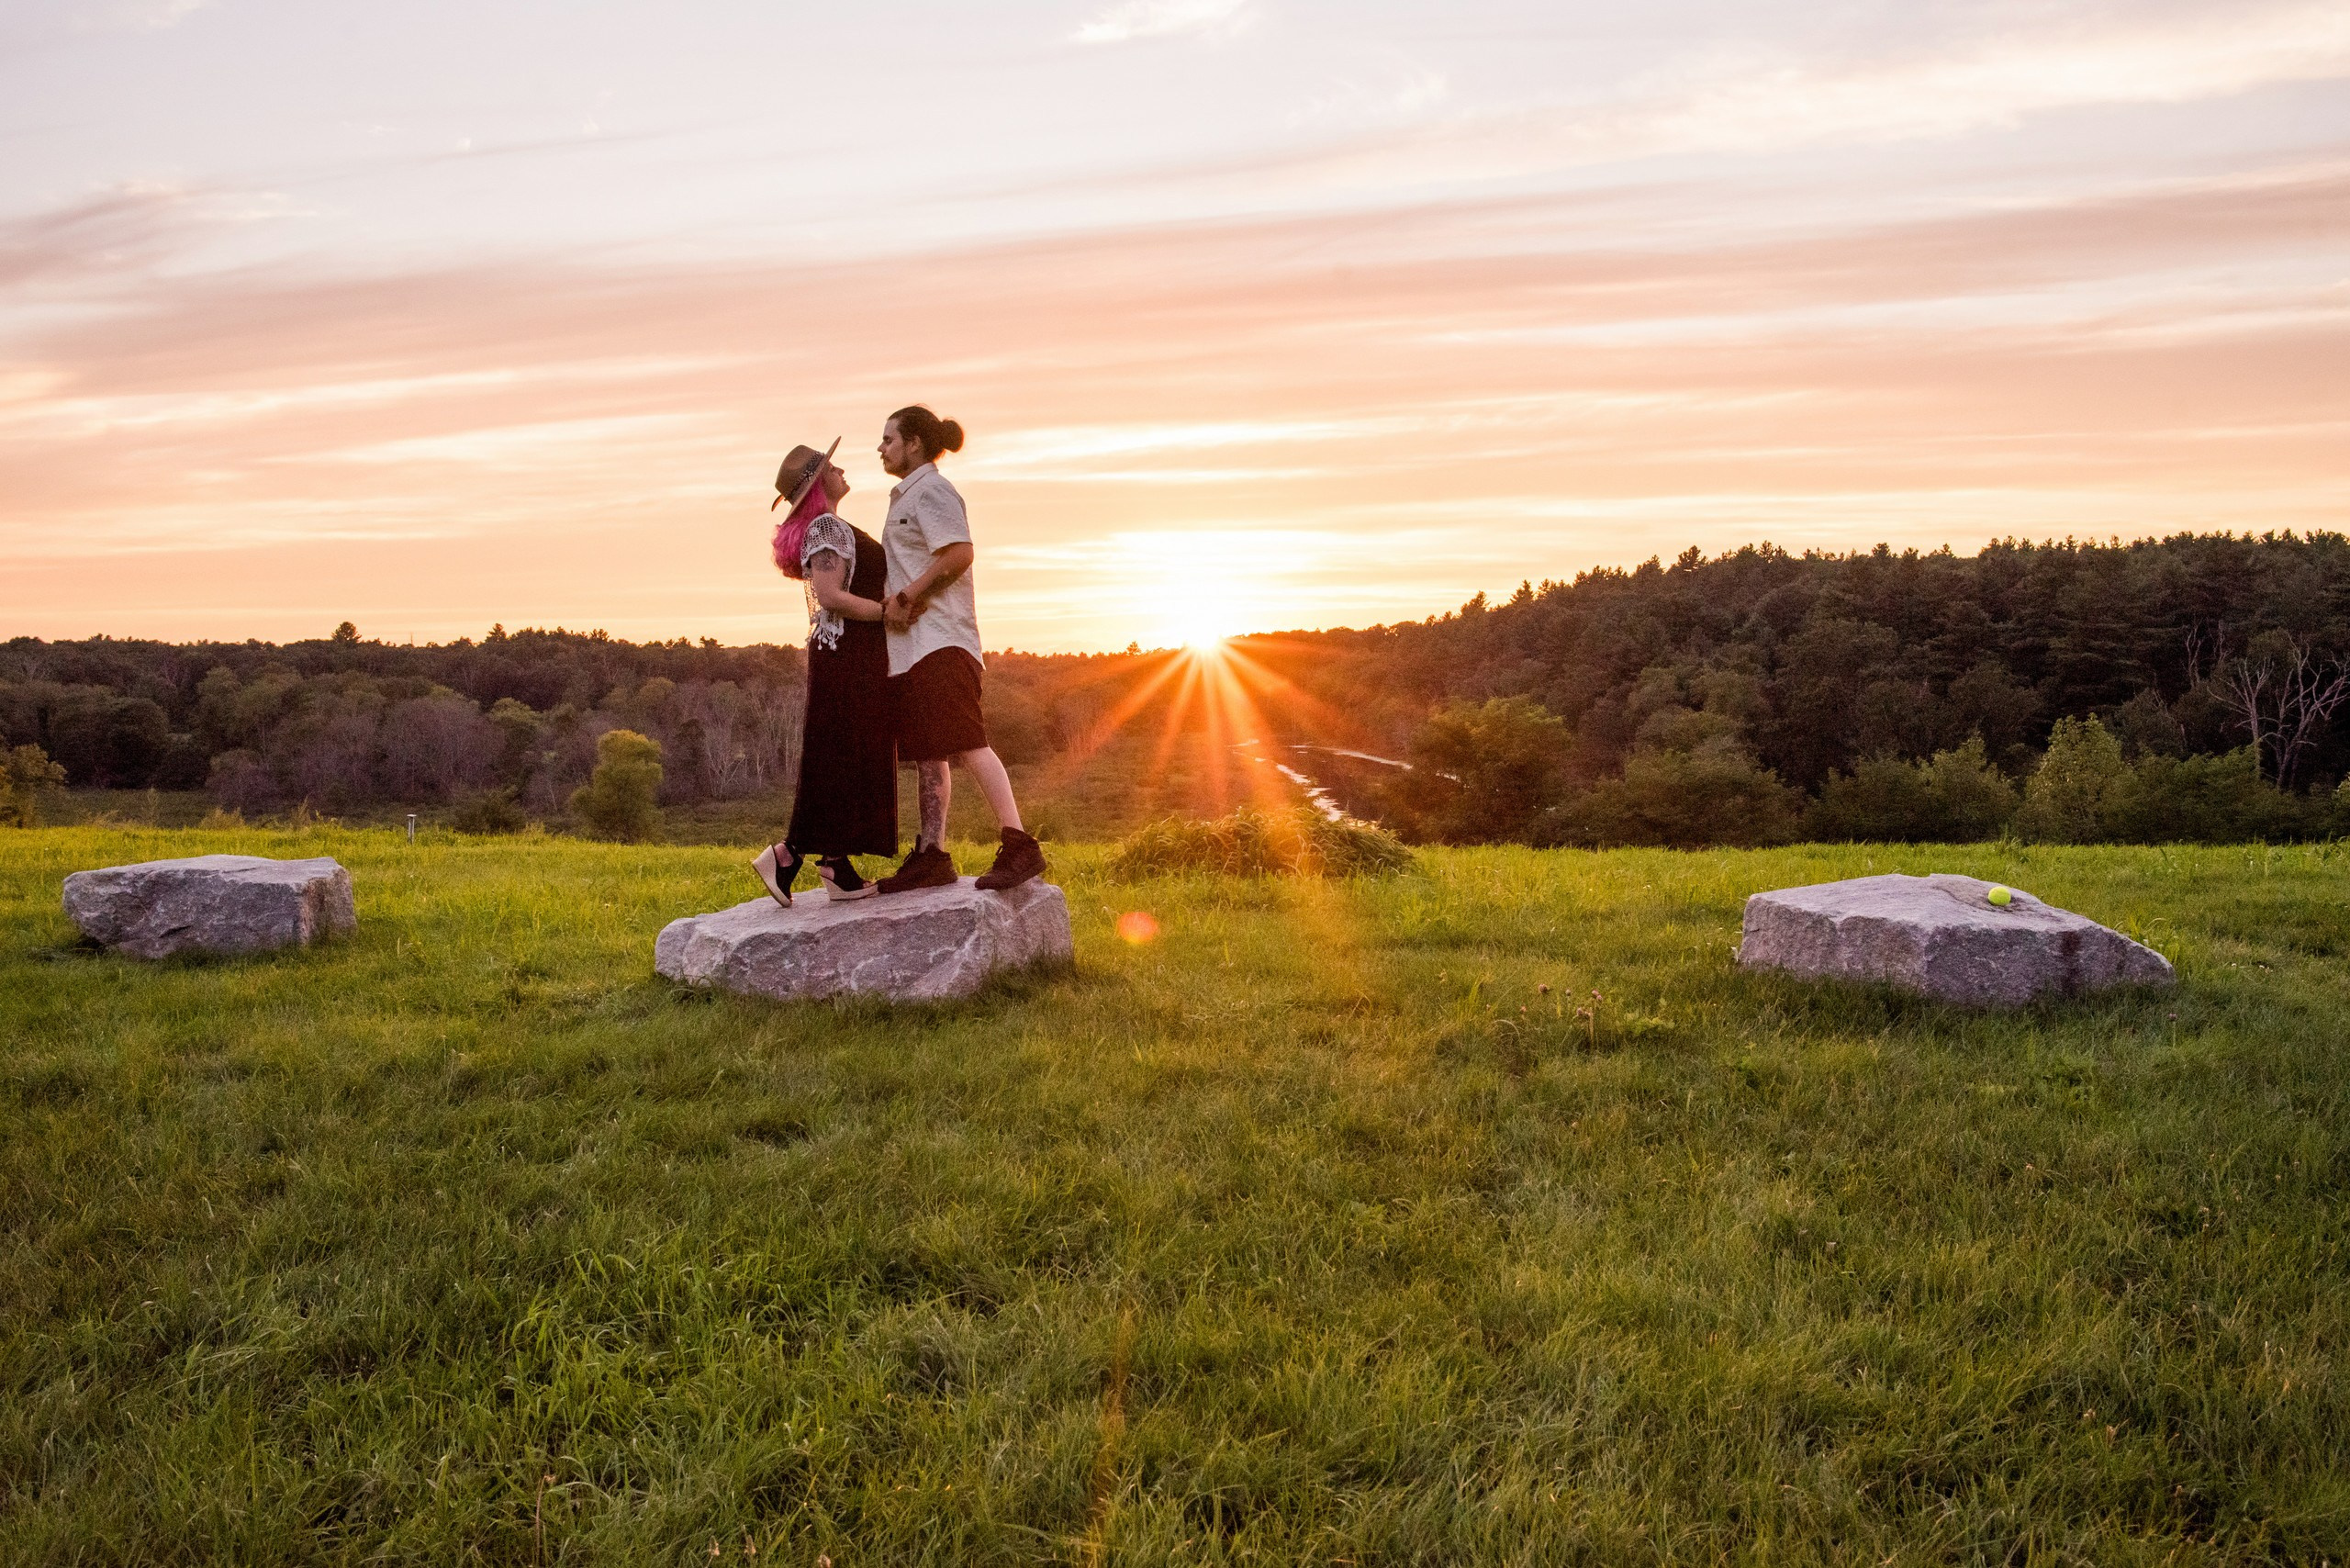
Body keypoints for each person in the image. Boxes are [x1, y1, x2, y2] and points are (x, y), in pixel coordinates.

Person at [871, 405, 1046, 893]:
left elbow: (960, 553)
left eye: (888, 439)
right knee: (930, 753)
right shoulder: (907, 494)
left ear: (915, 445)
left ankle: (1019, 845)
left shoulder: (933, 490)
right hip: (913, 647)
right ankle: (932, 854)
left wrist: (909, 596)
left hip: (943, 640)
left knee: (969, 742)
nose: (881, 448)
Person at [750, 439, 897, 905]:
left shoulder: (833, 525)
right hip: (844, 656)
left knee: (848, 752)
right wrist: (886, 614)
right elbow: (830, 595)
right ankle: (787, 854)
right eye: (834, 466)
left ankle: (833, 862)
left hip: (854, 655)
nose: (842, 469)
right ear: (819, 482)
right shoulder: (826, 526)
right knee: (838, 752)